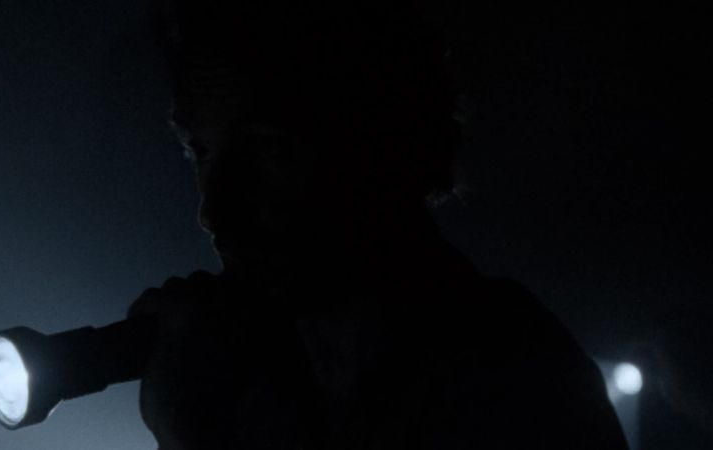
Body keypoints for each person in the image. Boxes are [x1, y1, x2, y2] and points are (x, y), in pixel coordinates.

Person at [127, 0, 630, 448]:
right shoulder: (263, 373)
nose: (213, 211)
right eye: (201, 150)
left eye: (270, 150)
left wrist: (193, 437)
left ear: (379, 146)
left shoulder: (516, 379)